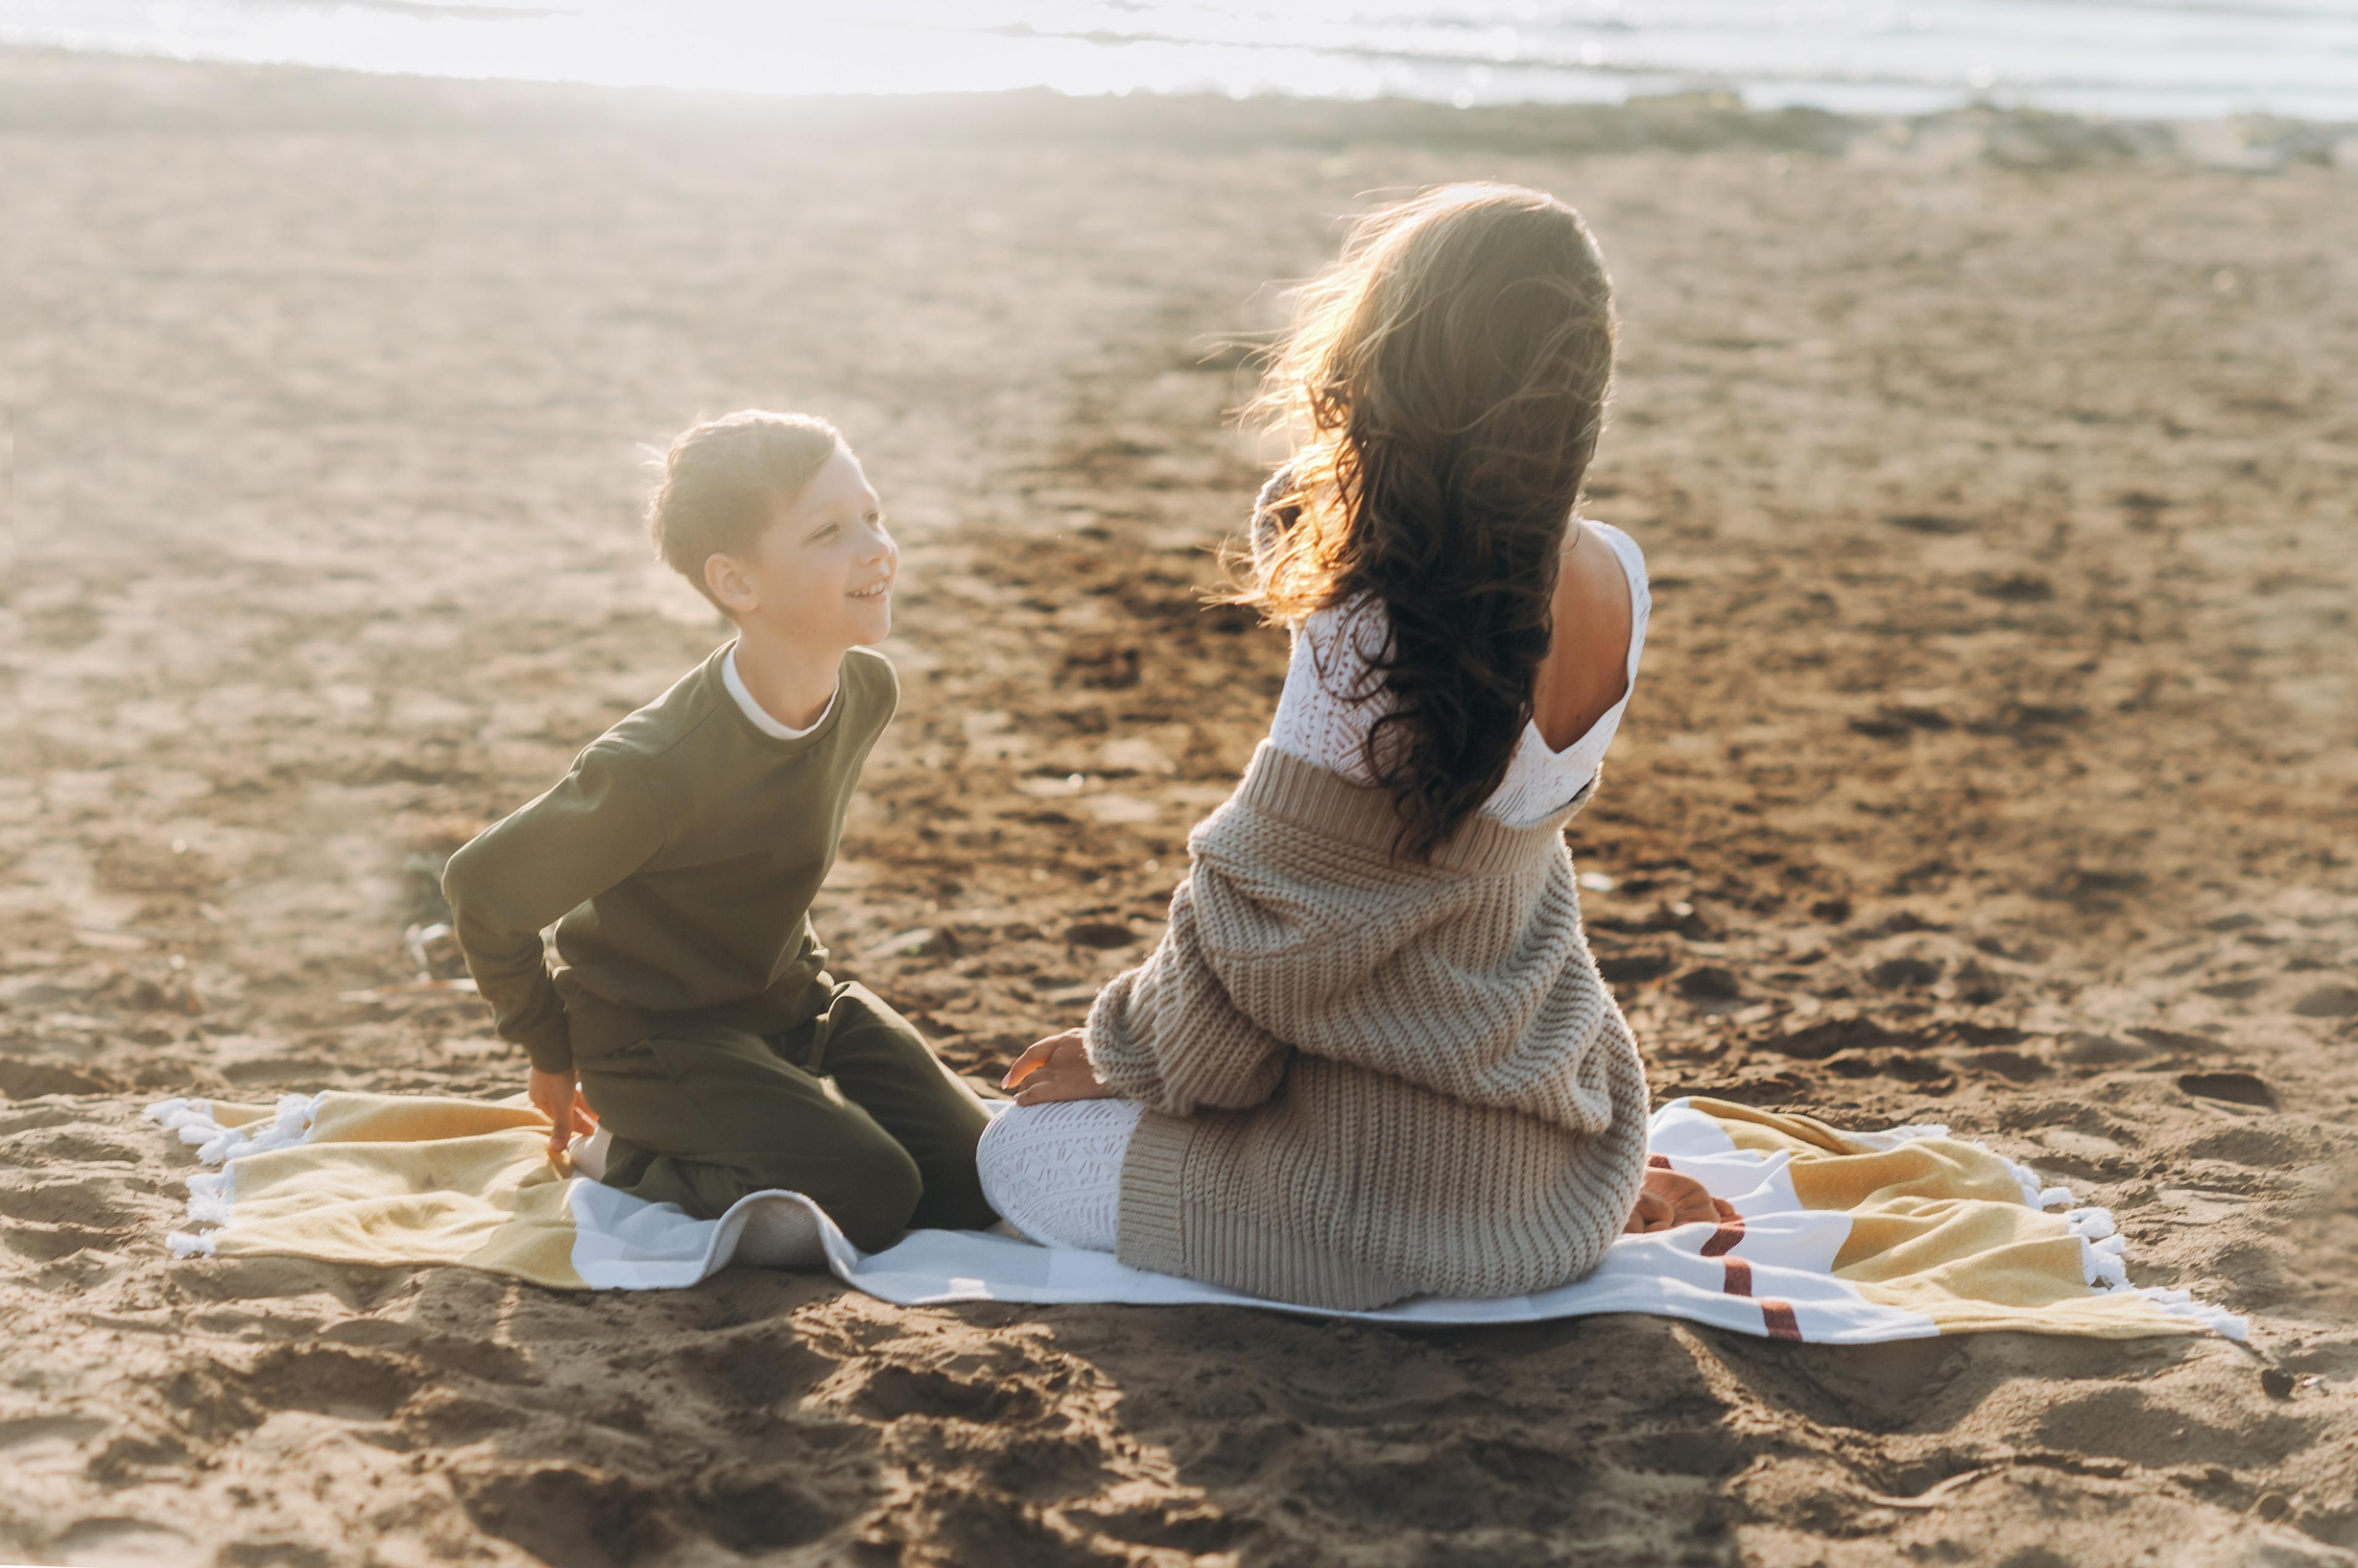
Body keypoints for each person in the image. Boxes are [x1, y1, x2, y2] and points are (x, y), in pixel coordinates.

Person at [977, 184, 1724, 1307]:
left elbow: (1273, 917)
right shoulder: (1618, 573)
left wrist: (1129, 1053)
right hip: (1543, 1167)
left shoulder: (1371, 615)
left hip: (1362, 1184)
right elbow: (1441, 877)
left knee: (1008, 1156)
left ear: (1397, 356)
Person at [441, 410, 997, 1252]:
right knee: (871, 1196)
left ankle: (789, 1104)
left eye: (873, 517)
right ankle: (623, 1156)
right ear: (738, 584)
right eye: (828, 531)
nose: (875, 548)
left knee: (976, 1181)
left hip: (797, 1004)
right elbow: (483, 888)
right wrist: (547, 1047)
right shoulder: (652, 768)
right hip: (659, 1040)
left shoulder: (868, 692)